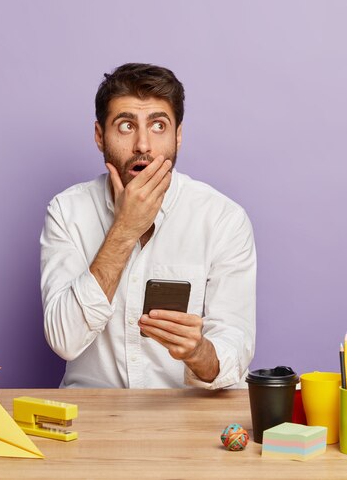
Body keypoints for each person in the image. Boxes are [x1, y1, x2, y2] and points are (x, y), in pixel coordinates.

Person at [40, 63, 256, 388]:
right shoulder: (67, 211)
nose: (143, 144)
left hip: (188, 418)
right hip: (95, 418)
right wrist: (124, 229)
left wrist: (199, 352)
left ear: (178, 136)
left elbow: (234, 345)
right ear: (100, 136)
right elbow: (64, 340)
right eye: (126, 126)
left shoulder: (223, 219)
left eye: (158, 126)